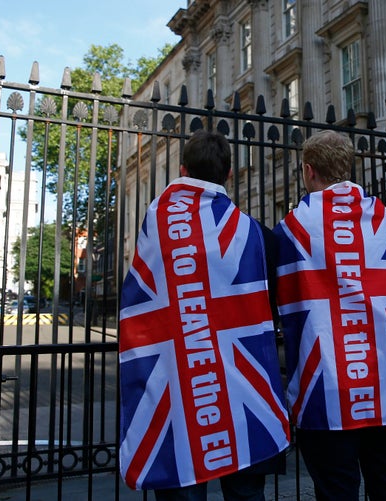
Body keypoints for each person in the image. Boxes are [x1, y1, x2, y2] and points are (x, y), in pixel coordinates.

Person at [119, 129, 290, 500]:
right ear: (229, 175)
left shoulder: (156, 233)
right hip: (246, 400)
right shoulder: (258, 236)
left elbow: (137, 306)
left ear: (182, 169)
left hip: (180, 396)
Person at [273, 130, 386, 500]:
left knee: (337, 492)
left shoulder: (290, 229)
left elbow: (277, 302)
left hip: (325, 387)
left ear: (308, 170)